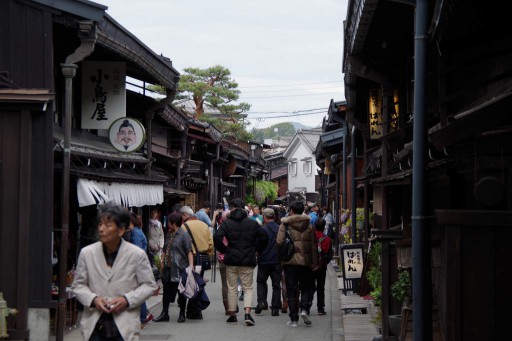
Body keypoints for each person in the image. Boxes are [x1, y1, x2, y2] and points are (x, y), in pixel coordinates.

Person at [71, 203, 157, 341]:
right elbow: (77, 285)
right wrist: (93, 299)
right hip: (95, 326)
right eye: (100, 224)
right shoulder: (87, 253)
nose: (101, 229)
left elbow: (149, 285)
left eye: (108, 225)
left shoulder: (136, 255)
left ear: (121, 230)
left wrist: (127, 300)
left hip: (123, 327)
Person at [214, 198, 268, 326]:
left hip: (231, 258)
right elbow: (264, 237)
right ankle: (248, 314)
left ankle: (232, 315)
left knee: (232, 287)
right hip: (247, 258)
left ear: (232, 207)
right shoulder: (252, 223)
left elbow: (217, 236)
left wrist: (224, 249)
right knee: (247, 287)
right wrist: (257, 249)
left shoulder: (227, 223)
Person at [276, 200, 318, 328]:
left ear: (292, 211)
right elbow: (313, 245)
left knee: (292, 290)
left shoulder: (285, 225)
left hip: (290, 262)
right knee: (306, 287)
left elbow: (279, 242)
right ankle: (304, 309)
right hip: (306, 262)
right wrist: (314, 262)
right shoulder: (309, 225)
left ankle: (294, 319)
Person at [179, 205, 213, 319]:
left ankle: (187, 311)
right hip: (202, 258)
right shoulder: (204, 225)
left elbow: (180, 244)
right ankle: (196, 310)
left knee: (187, 282)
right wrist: (207, 253)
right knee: (198, 283)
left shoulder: (183, 226)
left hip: (188, 258)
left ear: (185, 215)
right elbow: (211, 244)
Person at [127, 213, 153, 326]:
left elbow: (136, 251)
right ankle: (143, 316)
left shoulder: (136, 233)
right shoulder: (136, 231)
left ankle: (142, 318)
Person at [153, 213, 180, 322]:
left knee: (178, 289)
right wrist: (162, 262)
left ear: (174, 223)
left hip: (177, 266)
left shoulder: (182, 234)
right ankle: (165, 313)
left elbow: (187, 251)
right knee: (167, 289)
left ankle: (182, 313)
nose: (168, 224)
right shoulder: (169, 233)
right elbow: (165, 248)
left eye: (169, 222)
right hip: (167, 266)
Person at [255, 208, 282, 316]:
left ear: (265, 217)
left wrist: (258, 253)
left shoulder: (262, 229)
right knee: (276, 285)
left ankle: (262, 302)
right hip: (276, 260)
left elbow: (257, 244)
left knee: (261, 282)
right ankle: (275, 308)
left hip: (264, 259)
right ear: (274, 217)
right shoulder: (280, 228)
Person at [312, 218, 332, 315]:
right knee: (320, 287)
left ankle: (306, 306)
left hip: (310, 265)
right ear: (324, 227)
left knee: (309, 286)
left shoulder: (310, 237)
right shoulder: (327, 239)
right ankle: (320, 308)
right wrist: (324, 263)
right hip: (321, 266)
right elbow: (329, 254)